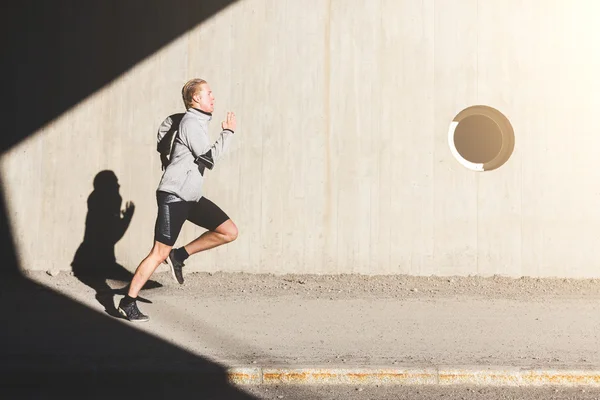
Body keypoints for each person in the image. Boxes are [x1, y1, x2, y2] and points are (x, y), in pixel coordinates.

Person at [118, 78, 238, 322]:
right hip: (174, 196)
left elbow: (167, 124)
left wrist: (165, 153)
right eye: (209, 93)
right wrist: (228, 133)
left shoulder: (191, 120)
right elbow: (209, 159)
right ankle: (127, 302)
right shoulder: (192, 123)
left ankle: (180, 255)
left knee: (229, 231)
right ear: (196, 99)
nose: (213, 97)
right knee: (158, 253)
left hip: (190, 196)